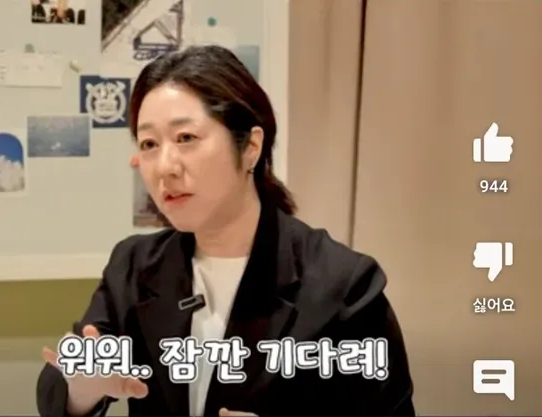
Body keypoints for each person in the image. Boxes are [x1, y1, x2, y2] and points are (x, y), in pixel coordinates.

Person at [36, 45, 416, 417]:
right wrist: (81, 391)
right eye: (149, 143)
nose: (165, 166)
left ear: (250, 146)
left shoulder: (345, 286)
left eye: (186, 138)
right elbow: (60, 384)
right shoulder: (135, 265)